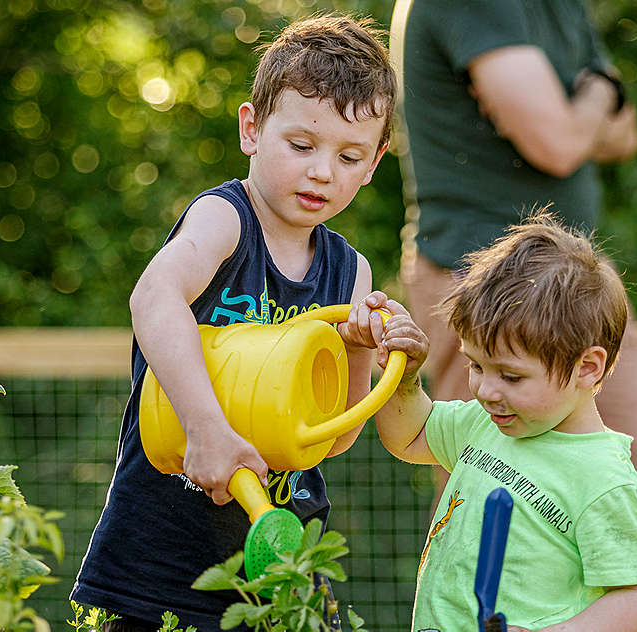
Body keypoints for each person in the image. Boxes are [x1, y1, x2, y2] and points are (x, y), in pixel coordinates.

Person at [70, 15, 397, 632]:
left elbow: (330, 437)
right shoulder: (225, 222)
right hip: (165, 547)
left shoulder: (352, 271)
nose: (323, 171)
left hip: (281, 554)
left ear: (375, 161)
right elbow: (153, 297)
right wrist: (205, 429)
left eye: (349, 155)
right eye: (302, 146)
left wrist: (359, 351)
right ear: (252, 129)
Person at [389, 2, 637, 628]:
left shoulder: (559, 8)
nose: (486, 388)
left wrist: (580, 113)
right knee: (485, 503)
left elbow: (622, 136)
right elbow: (557, 142)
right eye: (481, 373)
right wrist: (595, 97)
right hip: (482, 292)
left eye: (505, 379)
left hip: (575, 299)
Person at [355, 214, 637, 631]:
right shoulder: (484, 424)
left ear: (586, 368)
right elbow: (409, 436)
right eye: (476, 365)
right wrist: (404, 380)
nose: (485, 390)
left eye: (511, 376)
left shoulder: (605, 480)